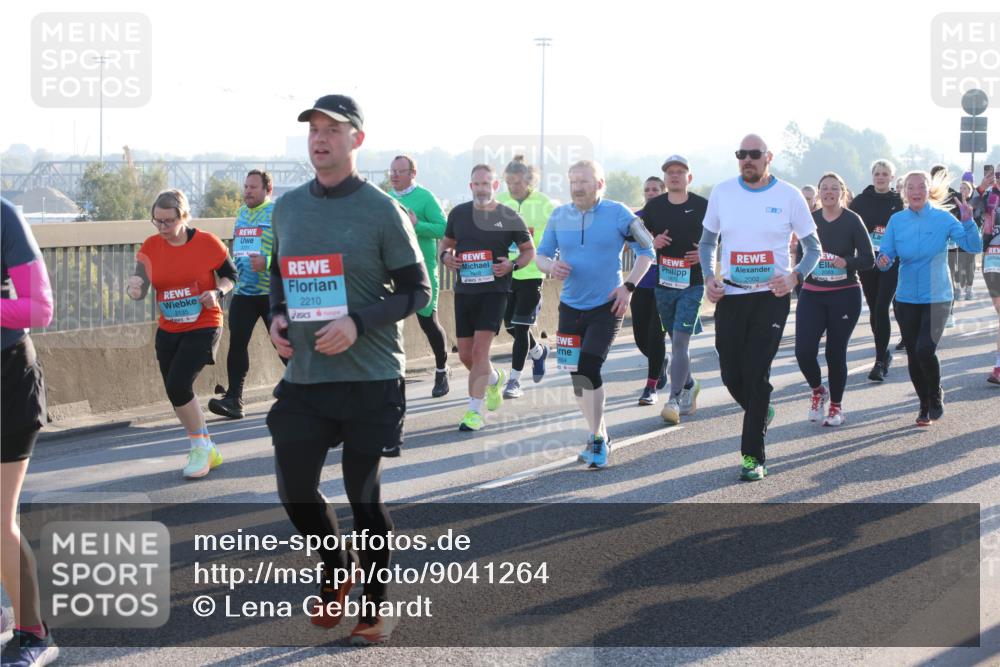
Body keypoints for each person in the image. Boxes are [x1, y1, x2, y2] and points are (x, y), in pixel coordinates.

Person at [267, 94, 430, 645]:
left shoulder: (383, 209)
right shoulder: (287, 208)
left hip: (370, 376)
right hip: (307, 379)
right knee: (294, 489)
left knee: (363, 496)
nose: (321, 138)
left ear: (356, 140)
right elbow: (278, 276)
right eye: (314, 128)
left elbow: (418, 291)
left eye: (333, 129)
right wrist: (276, 317)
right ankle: (338, 567)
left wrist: (359, 322)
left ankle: (374, 608)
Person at [699, 134, 821, 481]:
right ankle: (761, 409)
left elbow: (813, 248)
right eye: (741, 154)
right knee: (730, 374)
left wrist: (795, 278)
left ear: (769, 157)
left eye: (754, 154)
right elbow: (708, 241)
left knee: (755, 375)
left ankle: (753, 457)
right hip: (731, 296)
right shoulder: (723, 192)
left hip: (771, 297)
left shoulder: (789, 195)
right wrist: (710, 276)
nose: (747, 160)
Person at [535, 159, 655, 468]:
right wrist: (551, 266)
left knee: (589, 365)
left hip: (607, 305)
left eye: (584, 181)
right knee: (577, 377)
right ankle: (598, 432)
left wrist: (628, 287)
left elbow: (648, 250)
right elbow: (541, 255)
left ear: (599, 184)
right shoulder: (560, 215)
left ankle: (598, 440)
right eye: (573, 181)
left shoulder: (618, 213)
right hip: (570, 307)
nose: (577, 187)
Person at [127, 189, 236, 478]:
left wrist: (217, 291)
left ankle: (199, 448)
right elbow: (141, 284)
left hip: (204, 323)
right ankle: (207, 447)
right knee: (176, 392)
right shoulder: (151, 246)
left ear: (184, 217)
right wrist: (135, 288)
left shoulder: (206, 243)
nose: (162, 228)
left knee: (178, 383)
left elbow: (231, 275)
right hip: (169, 328)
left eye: (168, 221)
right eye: (157, 221)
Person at [875, 170, 982, 425]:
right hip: (906, 297)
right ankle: (923, 404)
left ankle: (935, 394)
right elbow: (884, 259)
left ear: (928, 190)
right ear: (904, 192)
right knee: (913, 353)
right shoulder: (897, 221)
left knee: (925, 348)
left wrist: (968, 222)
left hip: (938, 295)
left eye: (921, 186)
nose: (916, 191)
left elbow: (974, 247)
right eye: (910, 187)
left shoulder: (944, 219)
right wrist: (883, 260)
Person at [1, 198, 58, 666]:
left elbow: (40, 309)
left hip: (6, 379)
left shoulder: (5, 217)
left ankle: (34, 633)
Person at [439, 164, 534, 431]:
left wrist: (512, 265)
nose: (481, 188)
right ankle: (494, 378)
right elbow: (446, 246)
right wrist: (446, 257)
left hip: (495, 292)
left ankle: (474, 412)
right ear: (471, 187)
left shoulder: (509, 216)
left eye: (486, 184)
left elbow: (528, 251)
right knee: (466, 356)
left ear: (495, 186)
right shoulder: (458, 214)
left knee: (481, 352)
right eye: (476, 184)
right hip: (464, 292)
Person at [794, 173, 874, 426]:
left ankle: (836, 407)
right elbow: (800, 257)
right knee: (803, 352)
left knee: (834, 353)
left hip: (844, 294)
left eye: (834, 188)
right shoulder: (810, 220)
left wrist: (846, 262)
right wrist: (799, 286)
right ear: (819, 193)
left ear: (843, 192)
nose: (829, 192)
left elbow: (868, 259)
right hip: (813, 294)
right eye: (825, 188)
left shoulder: (853, 220)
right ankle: (818, 391)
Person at [639, 155, 706, 423]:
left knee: (680, 341)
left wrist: (705, 250)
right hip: (664, 284)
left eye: (680, 172)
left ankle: (674, 399)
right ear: (665, 178)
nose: (675, 176)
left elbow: (722, 233)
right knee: (673, 342)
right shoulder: (654, 207)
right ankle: (689, 383)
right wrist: (652, 241)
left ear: (689, 177)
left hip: (693, 284)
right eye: (670, 173)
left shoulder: (703, 205)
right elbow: (637, 234)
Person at [209, 170, 277, 419]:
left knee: (284, 345)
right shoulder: (241, 212)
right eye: (246, 187)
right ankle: (234, 399)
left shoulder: (277, 213)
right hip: (245, 292)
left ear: (267, 190)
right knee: (237, 344)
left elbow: (294, 251)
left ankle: (308, 394)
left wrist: (269, 261)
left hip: (273, 292)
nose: (247, 191)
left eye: (253, 187)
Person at [387, 155, 451, 397]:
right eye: (391, 171)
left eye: (399, 171)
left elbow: (444, 228)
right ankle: (392, 378)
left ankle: (442, 369)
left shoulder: (425, 197)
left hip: (422, 271)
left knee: (428, 323)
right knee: (390, 326)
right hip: (393, 271)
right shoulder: (387, 198)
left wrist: (417, 225)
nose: (393, 175)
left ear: (412, 173)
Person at [496, 155, 554, 399]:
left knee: (520, 328)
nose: (513, 187)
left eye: (517, 183)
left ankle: (514, 381)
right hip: (505, 273)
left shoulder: (544, 204)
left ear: (529, 181)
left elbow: (554, 236)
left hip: (531, 273)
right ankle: (538, 351)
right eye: (509, 182)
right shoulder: (499, 202)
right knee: (509, 325)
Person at [850, 159, 904, 382]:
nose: (880, 177)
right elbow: (850, 227)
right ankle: (884, 353)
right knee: (874, 310)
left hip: (891, 263)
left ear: (892, 177)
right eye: (877, 173)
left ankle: (880, 362)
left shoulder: (899, 201)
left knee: (882, 307)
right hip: (868, 263)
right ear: (872, 176)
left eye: (885, 174)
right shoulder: (860, 201)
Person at [630, 175, 669, 406]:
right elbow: (626, 243)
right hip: (641, 284)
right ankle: (661, 360)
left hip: (666, 285)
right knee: (640, 338)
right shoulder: (636, 219)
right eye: (647, 189)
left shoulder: (670, 217)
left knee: (656, 335)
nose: (651, 192)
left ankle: (650, 386)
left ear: (663, 191)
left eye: (655, 189)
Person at [972, 169, 1000, 384]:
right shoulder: (989, 196)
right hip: (993, 257)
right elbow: (972, 212)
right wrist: (980, 188)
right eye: (998, 174)